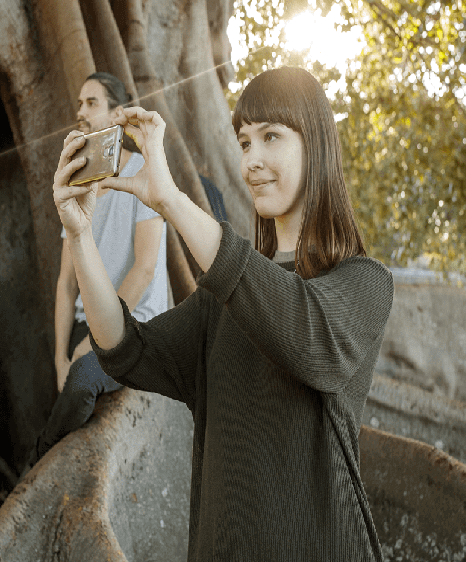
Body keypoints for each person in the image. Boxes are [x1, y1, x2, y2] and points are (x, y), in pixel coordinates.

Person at [52, 66, 394, 560]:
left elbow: (306, 336)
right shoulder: (220, 301)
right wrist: (80, 236)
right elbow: (126, 349)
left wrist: (169, 199)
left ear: (316, 143)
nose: (251, 160)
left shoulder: (363, 282)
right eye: (244, 142)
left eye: (271, 137)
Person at [25, 72, 168, 471]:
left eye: (92, 103)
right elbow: (66, 284)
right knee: (57, 379)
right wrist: (58, 356)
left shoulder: (143, 172)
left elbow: (144, 268)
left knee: (85, 379)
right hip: (85, 326)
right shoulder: (78, 180)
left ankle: (39, 462)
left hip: (134, 324)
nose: (80, 112)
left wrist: (94, 341)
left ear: (117, 113)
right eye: (79, 103)